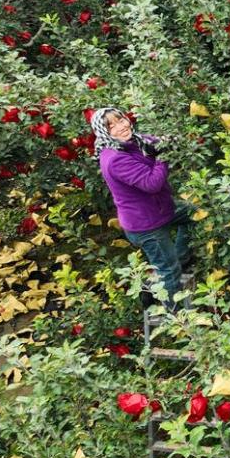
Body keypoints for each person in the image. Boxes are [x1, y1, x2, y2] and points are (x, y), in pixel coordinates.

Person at [90, 107, 194, 311]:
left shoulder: (134, 142)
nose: (121, 127)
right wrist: (163, 155)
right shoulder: (115, 158)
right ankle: (178, 317)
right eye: (111, 126)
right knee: (169, 272)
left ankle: (179, 258)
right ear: (104, 132)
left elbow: (158, 141)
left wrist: (173, 139)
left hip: (160, 210)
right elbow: (151, 183)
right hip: (147, 226)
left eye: (121, 120)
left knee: (194, 212)